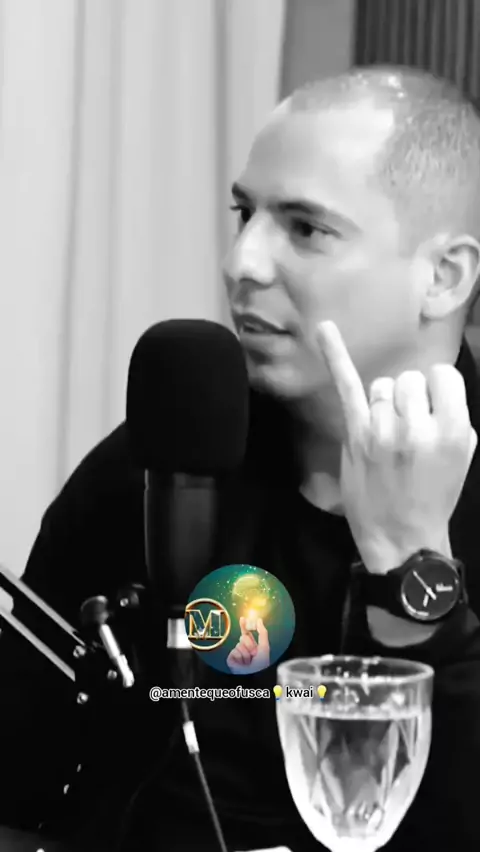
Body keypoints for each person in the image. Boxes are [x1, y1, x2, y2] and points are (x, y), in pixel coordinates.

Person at [1, 64, 480, 852]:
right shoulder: (161, 453)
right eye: (244, 214)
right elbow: (19, 778)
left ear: (443, 276)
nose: (242, 262)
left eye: (306, 228)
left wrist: (411, 563)